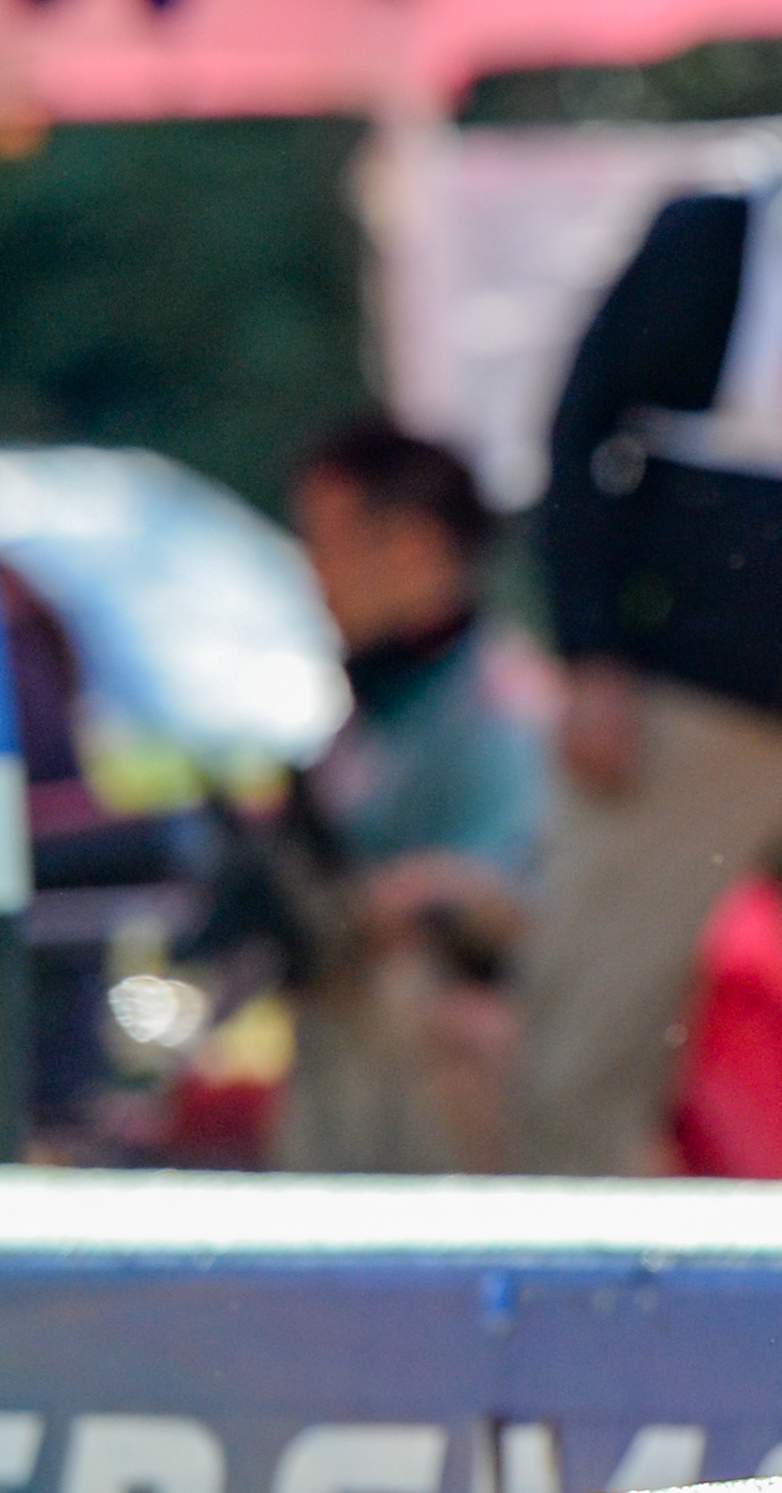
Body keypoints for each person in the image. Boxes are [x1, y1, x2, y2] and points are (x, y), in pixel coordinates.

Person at [517, 126, 782, 1178]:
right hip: (686, 711)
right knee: (589, 1046)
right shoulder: (720, 236)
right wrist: (590, 655)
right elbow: (582, 428)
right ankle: (581, 1277)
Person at [269, 417, 550, 1173]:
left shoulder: (503, 704)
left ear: (416, 547)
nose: (313, 574)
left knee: (420, 1004)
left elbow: (526, 909)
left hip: (494, 1071)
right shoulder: (379, 704)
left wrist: (408, 896)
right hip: (365, 1048)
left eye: (328, 543)